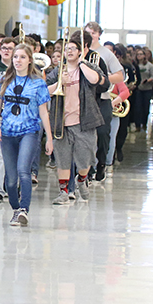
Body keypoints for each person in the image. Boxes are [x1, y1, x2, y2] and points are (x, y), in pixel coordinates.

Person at [0, 44, 53, 225]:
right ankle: (15, 208)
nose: (18, 60)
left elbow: (43, 112)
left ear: (29, 60)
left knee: (23, 171)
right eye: (15, 57)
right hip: (8, 133)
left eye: (22, 57)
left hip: (29, 131)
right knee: (11, 180)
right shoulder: (5, 80)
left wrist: (49, 138)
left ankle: (24, 209)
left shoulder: (38, 83)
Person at [47, 38, 104, 205]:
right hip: (61, 122)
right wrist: (59, 82)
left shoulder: (88, 68)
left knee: (86, 157)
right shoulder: (57, 71)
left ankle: (82, 178)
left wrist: (82, 64)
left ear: (80, 51)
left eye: (73, 48)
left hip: (84, 121)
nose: (70, 51)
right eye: (67, 49)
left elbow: (98, 81)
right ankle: (63, 192)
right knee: (63, 158)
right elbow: (43, 91)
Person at [84, 22, 124, 182]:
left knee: (102, 133)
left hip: (103, 99)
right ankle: (87, 167)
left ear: (99, 34)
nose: (91, 35)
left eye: (93, 33)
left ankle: (101, 163)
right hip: (85, 99)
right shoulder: (80, 52)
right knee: (85, 136)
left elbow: (120, 76)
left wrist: (101, 79)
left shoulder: (106, 54)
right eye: (88, 32)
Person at [0, 37, 17, 204]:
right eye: (3, 47)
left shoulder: (22, 68)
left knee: (15, 155)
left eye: (10, 48)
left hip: (17, 117)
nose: (6, 50)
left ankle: (13, 187)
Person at [135, 48, 153, 131]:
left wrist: (148, 80)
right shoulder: (135, 65)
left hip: (147, 88)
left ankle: (144, 123)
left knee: (145, 107)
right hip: (138, 89)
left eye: (141, 54)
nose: (139, 56)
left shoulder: (149, 65)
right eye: (138, 54)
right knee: (137, 107)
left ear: (144, 55)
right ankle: (137, 125)